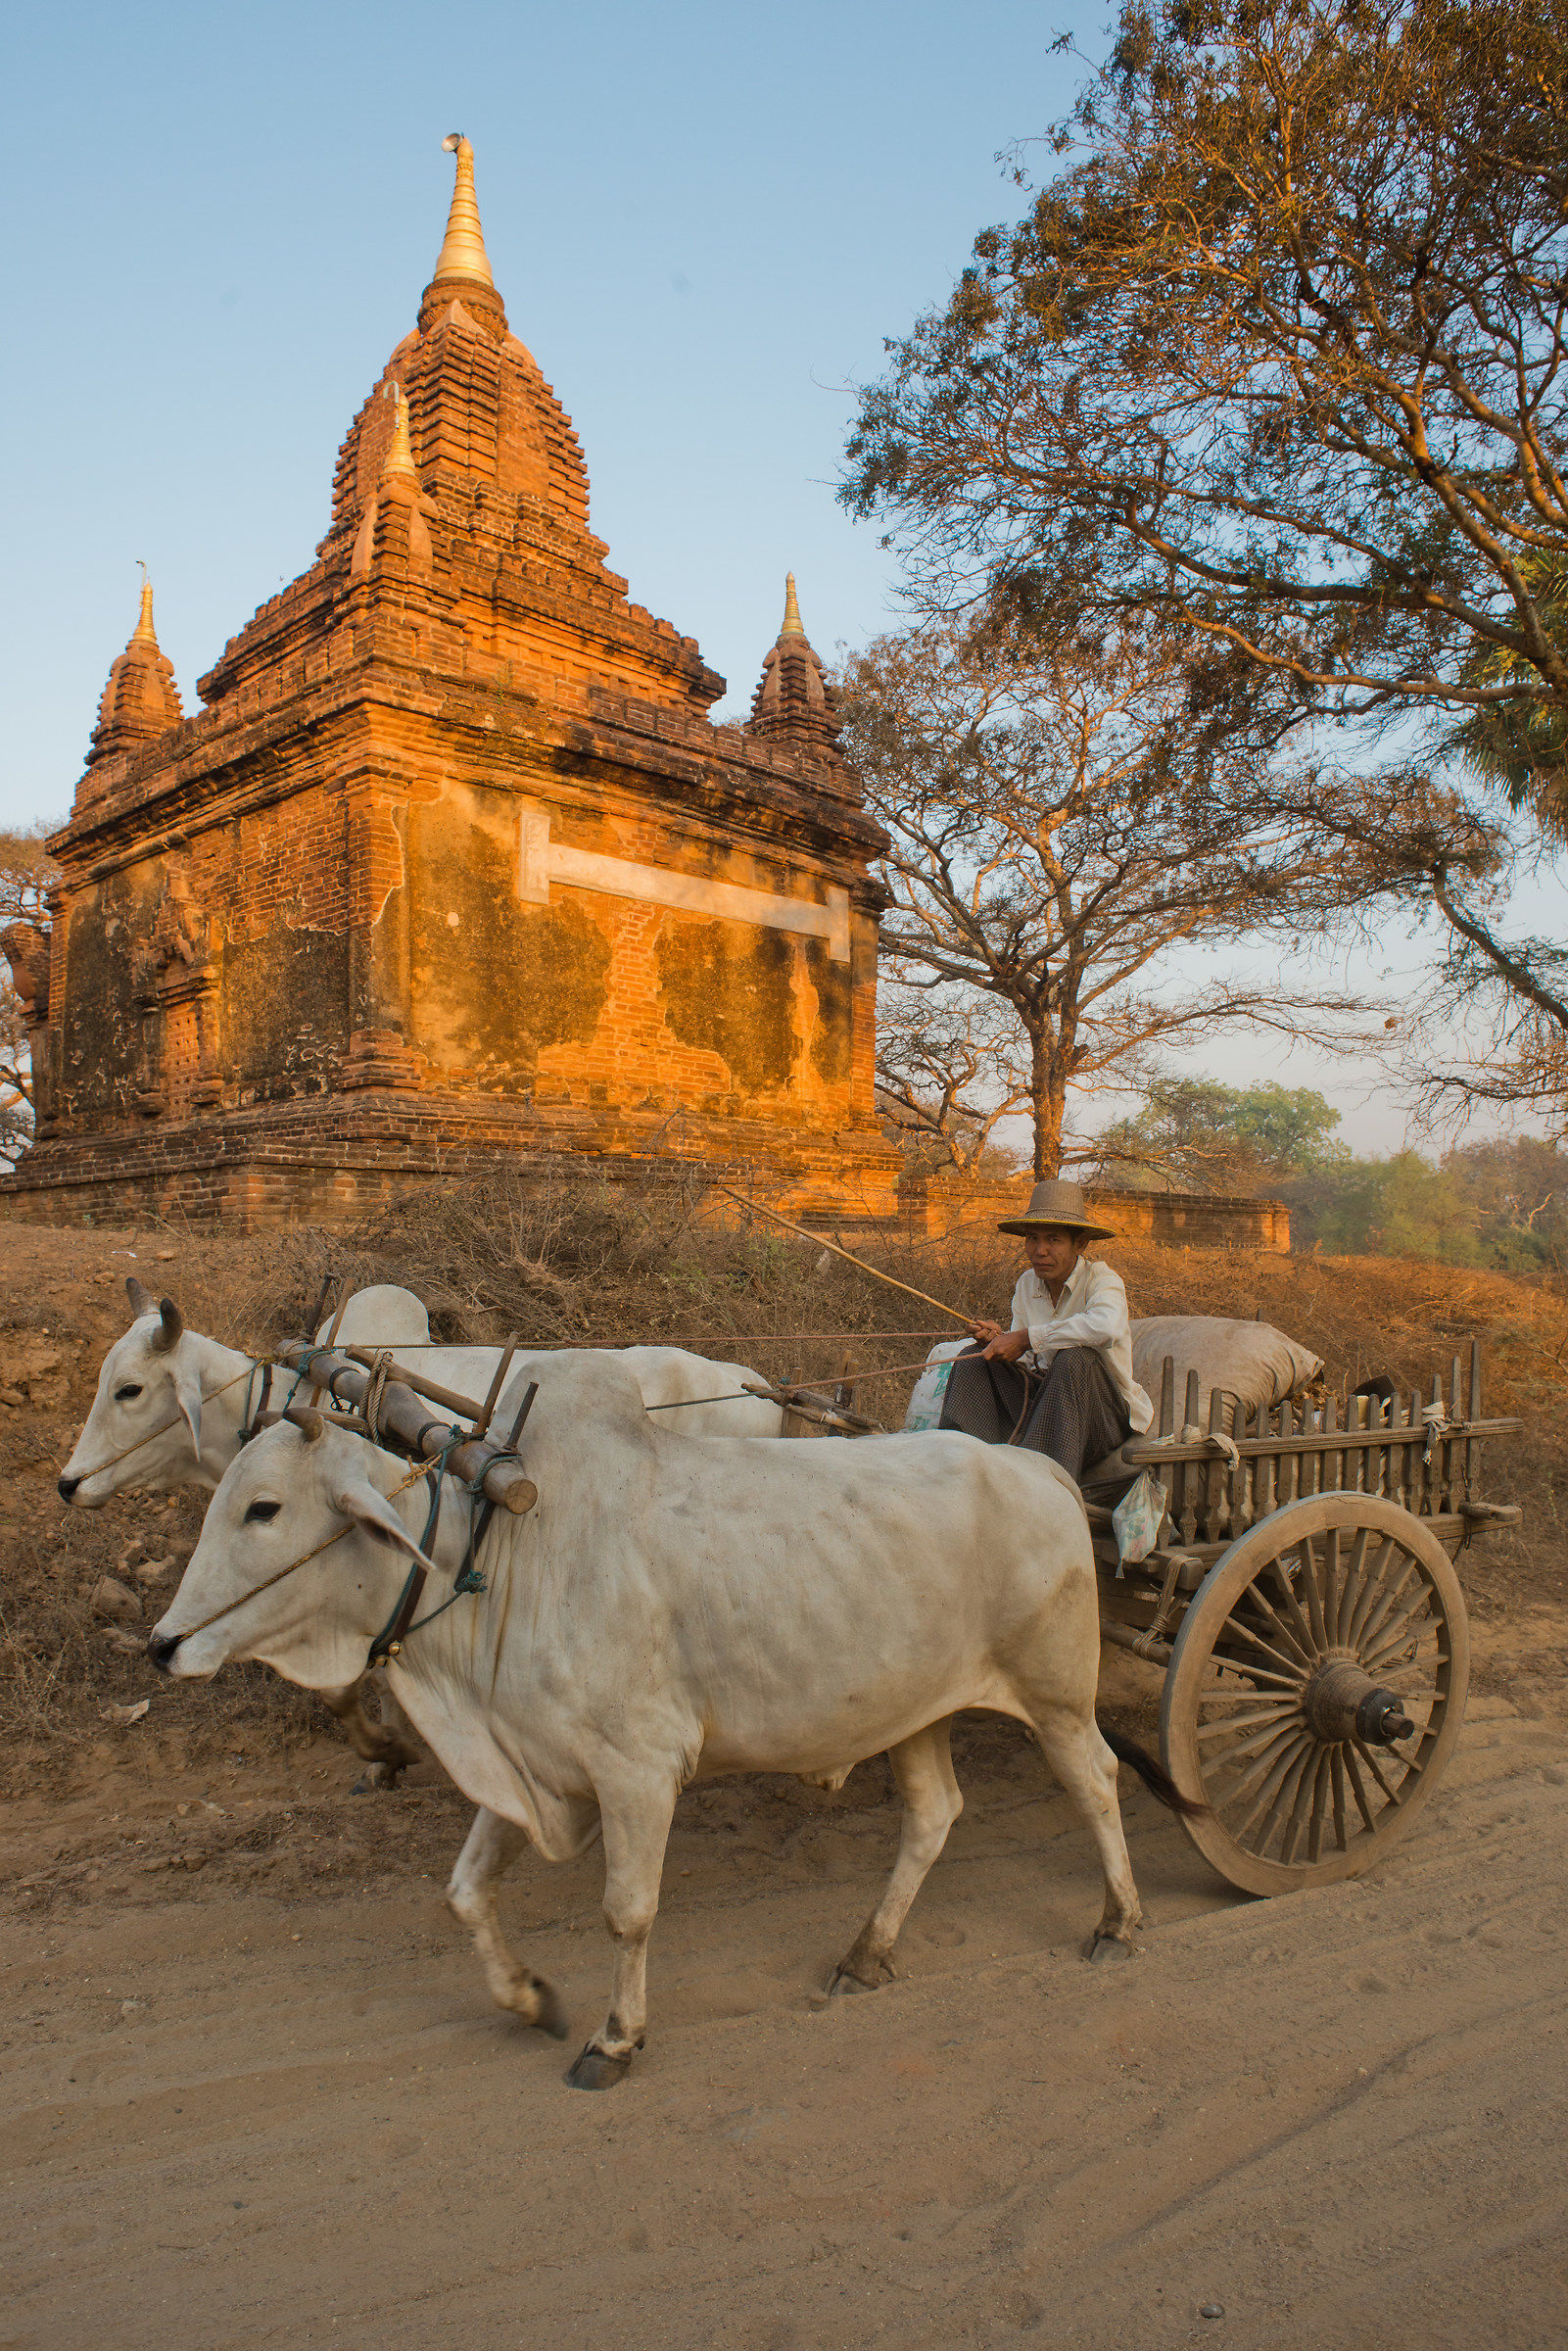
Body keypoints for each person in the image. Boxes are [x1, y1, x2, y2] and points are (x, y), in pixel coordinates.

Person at [938, 1178, 1153, 1482]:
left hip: (1101, 1417)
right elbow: (1026, 1363)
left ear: (1080, 1244)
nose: (1039, 1250)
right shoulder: (1027, 1283)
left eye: (1053, 1240)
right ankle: (961, 1466)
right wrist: (1002, 1343)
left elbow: (1106, 1326)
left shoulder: (1103, 1281)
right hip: (1044, 1407)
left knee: (1075, 1359)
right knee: (976, 1356)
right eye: (1032, 1238)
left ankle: (1040, 1483)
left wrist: (1026, 1338)